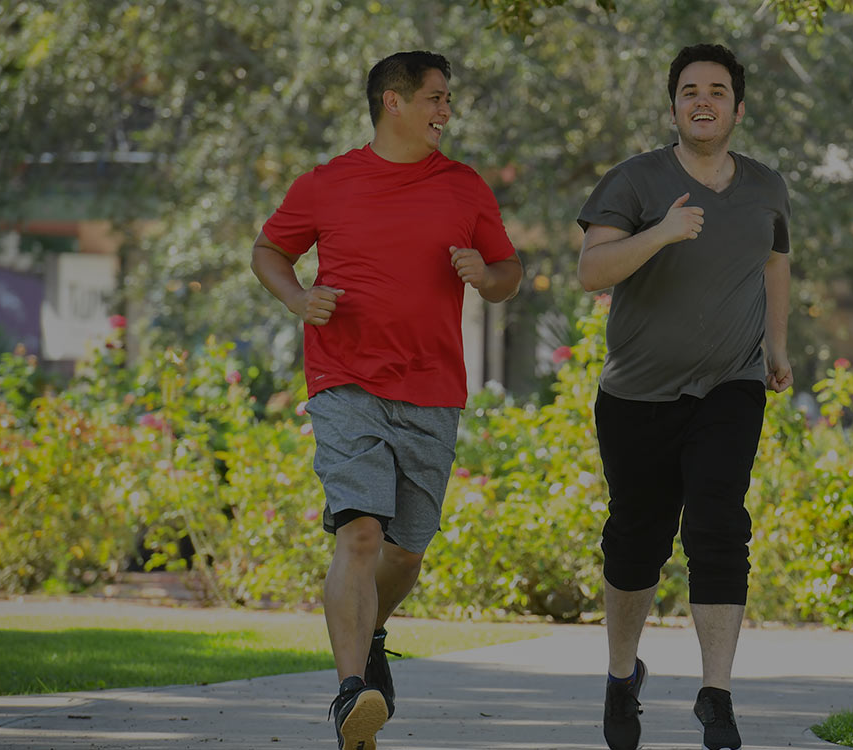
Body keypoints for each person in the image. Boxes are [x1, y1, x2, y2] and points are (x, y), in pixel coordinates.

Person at [250, 50, 522, 750]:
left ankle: (369, 635)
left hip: (432, 388)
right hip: (345, 379)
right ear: (392, 102)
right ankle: (350, 695)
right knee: (360, 535)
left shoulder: (464, 187)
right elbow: (269, 253)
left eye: (448, 99)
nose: (446, 111)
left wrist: (483, 274)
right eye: (435, 98)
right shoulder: (327, 183)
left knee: (404, 555)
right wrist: (298, 299)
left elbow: (509, 273)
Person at [575, 43, 792, 750]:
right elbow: (591, 269)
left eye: (718, 90)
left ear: (736, 106)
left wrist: (777, 348)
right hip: (636, 395)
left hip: (730, 384)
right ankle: (618, 676)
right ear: (673, 105)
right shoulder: (635, 181)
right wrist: (663, 231)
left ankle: (717, 696)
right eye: (691, 90)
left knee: (719, 526)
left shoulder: (766, 187)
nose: (704, 100)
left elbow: (776, 264)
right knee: (637, 541)